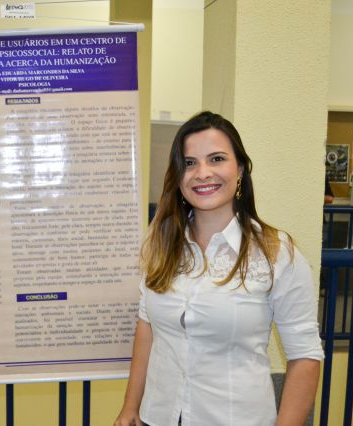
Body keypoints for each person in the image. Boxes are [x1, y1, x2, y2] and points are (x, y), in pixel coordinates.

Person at [114, 112, 323, 426]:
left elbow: (305, 355)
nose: (202, 173)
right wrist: (131, 406)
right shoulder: (161, 243)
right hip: (157, 417)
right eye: (189, 163)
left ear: (239, 170)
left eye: (216, 159)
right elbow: (148, 326)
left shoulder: (276, 253)